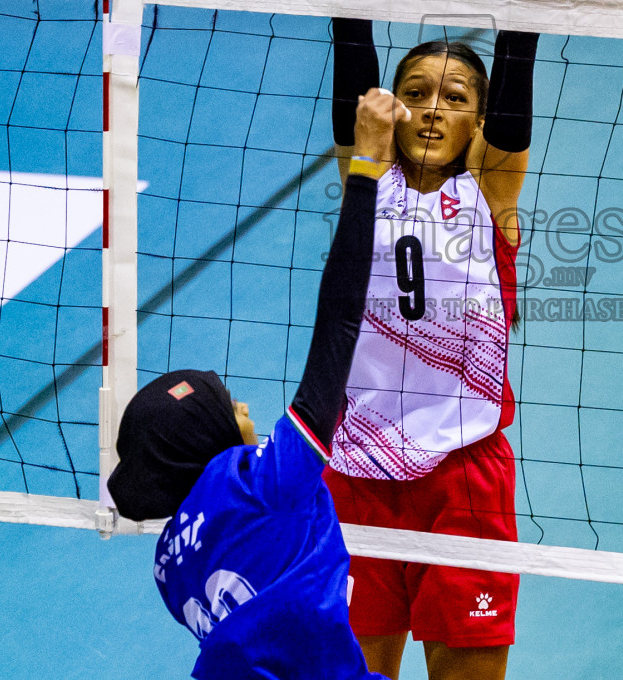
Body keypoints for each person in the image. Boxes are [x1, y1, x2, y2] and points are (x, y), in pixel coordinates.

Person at [310, 0, 555, 680]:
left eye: (455, 98)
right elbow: (349, 32)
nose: (430, 106)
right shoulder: (362, 175)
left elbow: (520, 48)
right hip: (359, 469)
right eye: (415, 91)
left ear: (480, 126)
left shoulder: (491, 191)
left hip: (465, 479)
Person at [106, 86, 410, 680]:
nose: (241, 403)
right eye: (225, 404)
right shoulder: (266, 482)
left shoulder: (169, 564)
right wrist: (367, 166)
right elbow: (340, 322)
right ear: (202, 436)